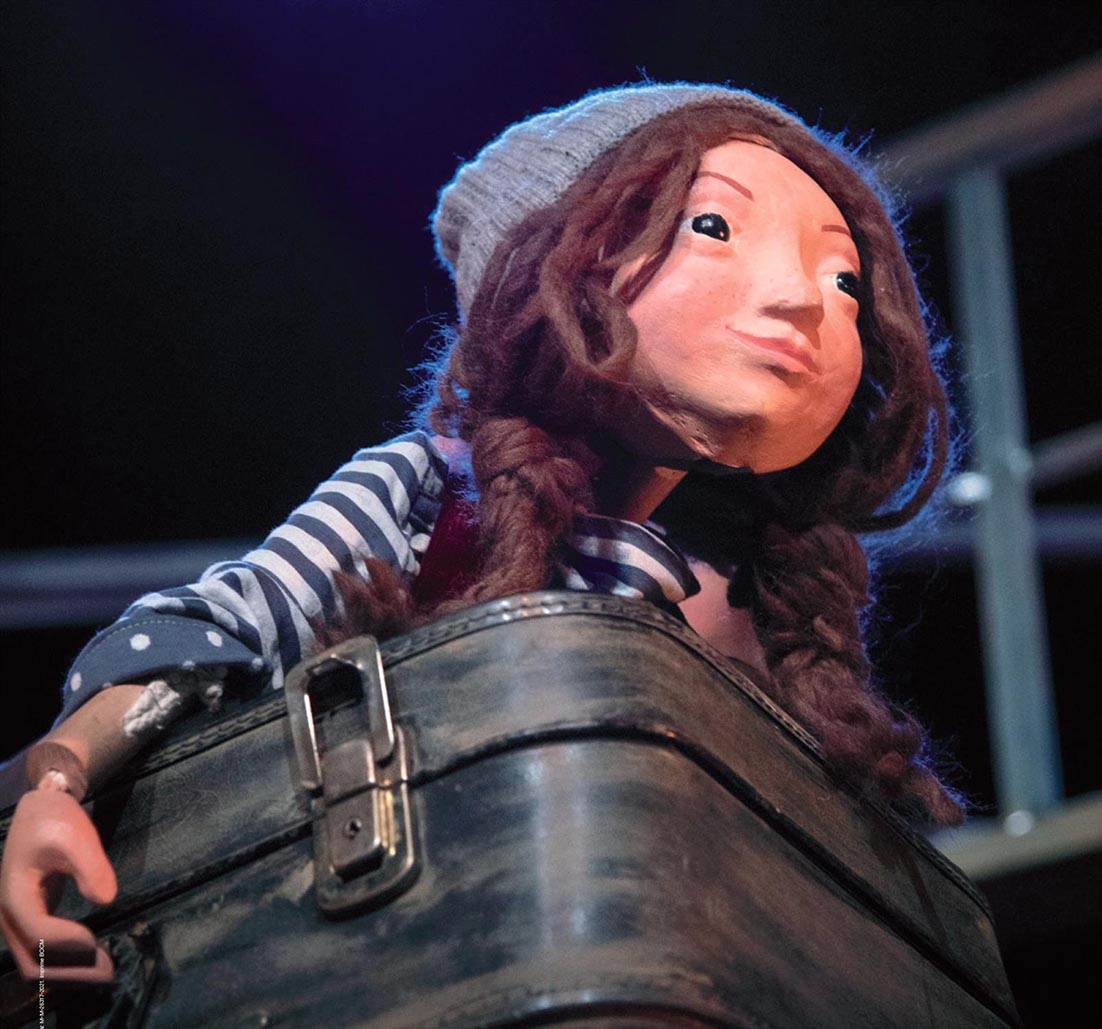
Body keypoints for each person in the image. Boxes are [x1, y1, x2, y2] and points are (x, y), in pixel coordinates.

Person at [0, 82, 965, 985]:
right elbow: (215, 627)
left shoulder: (729, 605)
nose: (804, 300)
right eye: (710, 226)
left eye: (844, 279)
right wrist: (58, 779)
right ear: (555, 267)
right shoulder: (427, 496)